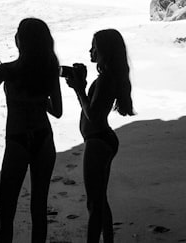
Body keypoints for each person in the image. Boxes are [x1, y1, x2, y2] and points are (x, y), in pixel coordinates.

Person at [0, 18, 63, 243]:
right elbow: (57, 111)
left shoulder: (7, 70)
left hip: (17, 139)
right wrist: (39, 100)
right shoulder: (49, 71)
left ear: (21, 41)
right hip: (43, 138)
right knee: (39, 207)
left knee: (7, 209)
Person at [63, 28, 136, 243]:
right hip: (103, 140)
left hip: (97, 142)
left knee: (94, 204)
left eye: (94, 46)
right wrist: (83, 86)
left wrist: (78, 89)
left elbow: (93, 115)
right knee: (100, 201)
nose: (90, 50)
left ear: (104, 50)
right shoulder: (108, 77)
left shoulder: (105, 79)